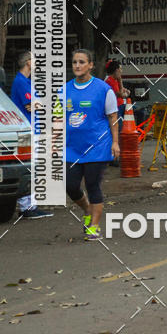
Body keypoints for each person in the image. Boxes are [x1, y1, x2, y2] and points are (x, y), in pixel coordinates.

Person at [66, 49, 120, 240]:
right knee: (70, 185)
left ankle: (94, 227)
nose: (77, 66)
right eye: (74, 62)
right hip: (72, 148)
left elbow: (113, 117)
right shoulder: (64, 90)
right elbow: (57, 118)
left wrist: (115, 142)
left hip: (97, 146)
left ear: (90, 65)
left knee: (92, 184)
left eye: (81, 62)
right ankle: (88, 209)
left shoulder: (103, 89)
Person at [10, 50, 53, 220]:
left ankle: (29, 204)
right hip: (26, 132)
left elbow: (36, 105)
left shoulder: (25, 82)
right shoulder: (21, 82)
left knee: (33, 167)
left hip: (30, 130)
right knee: (30, 167)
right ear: (28, 62)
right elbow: (31, 105)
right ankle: (27, 206)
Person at [105, 60, 130, 164]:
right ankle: (114, 158)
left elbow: (122, 90)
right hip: (115, 109)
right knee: (117, 132)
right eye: (120, 69)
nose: (121, 71)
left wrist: (121, 83)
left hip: (120, 106)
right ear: (116, 70)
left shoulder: (114, 79)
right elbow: (120, 94)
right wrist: (120, 83)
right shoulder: (109, 81)